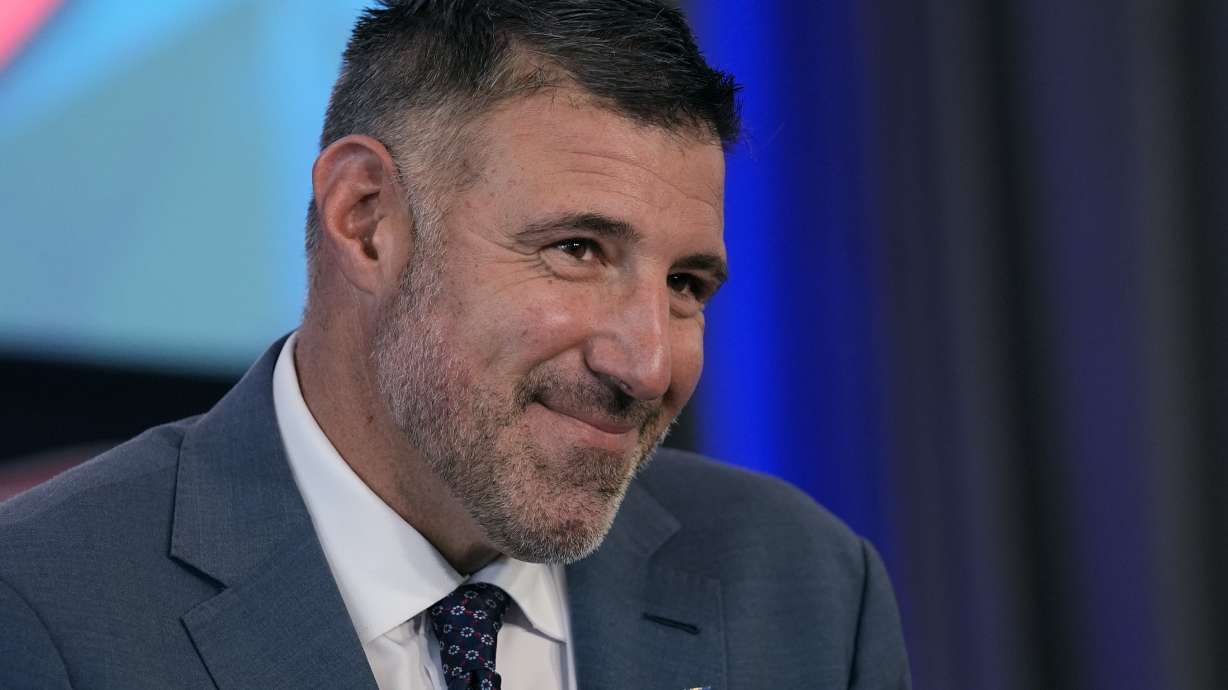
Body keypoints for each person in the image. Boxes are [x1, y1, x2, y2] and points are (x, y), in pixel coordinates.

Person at [0, 1, 910, 688]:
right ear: (365, 221)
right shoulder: (43, 607)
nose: (646, 363)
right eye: (577, 251)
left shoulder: (807, 591)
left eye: (685, 286)